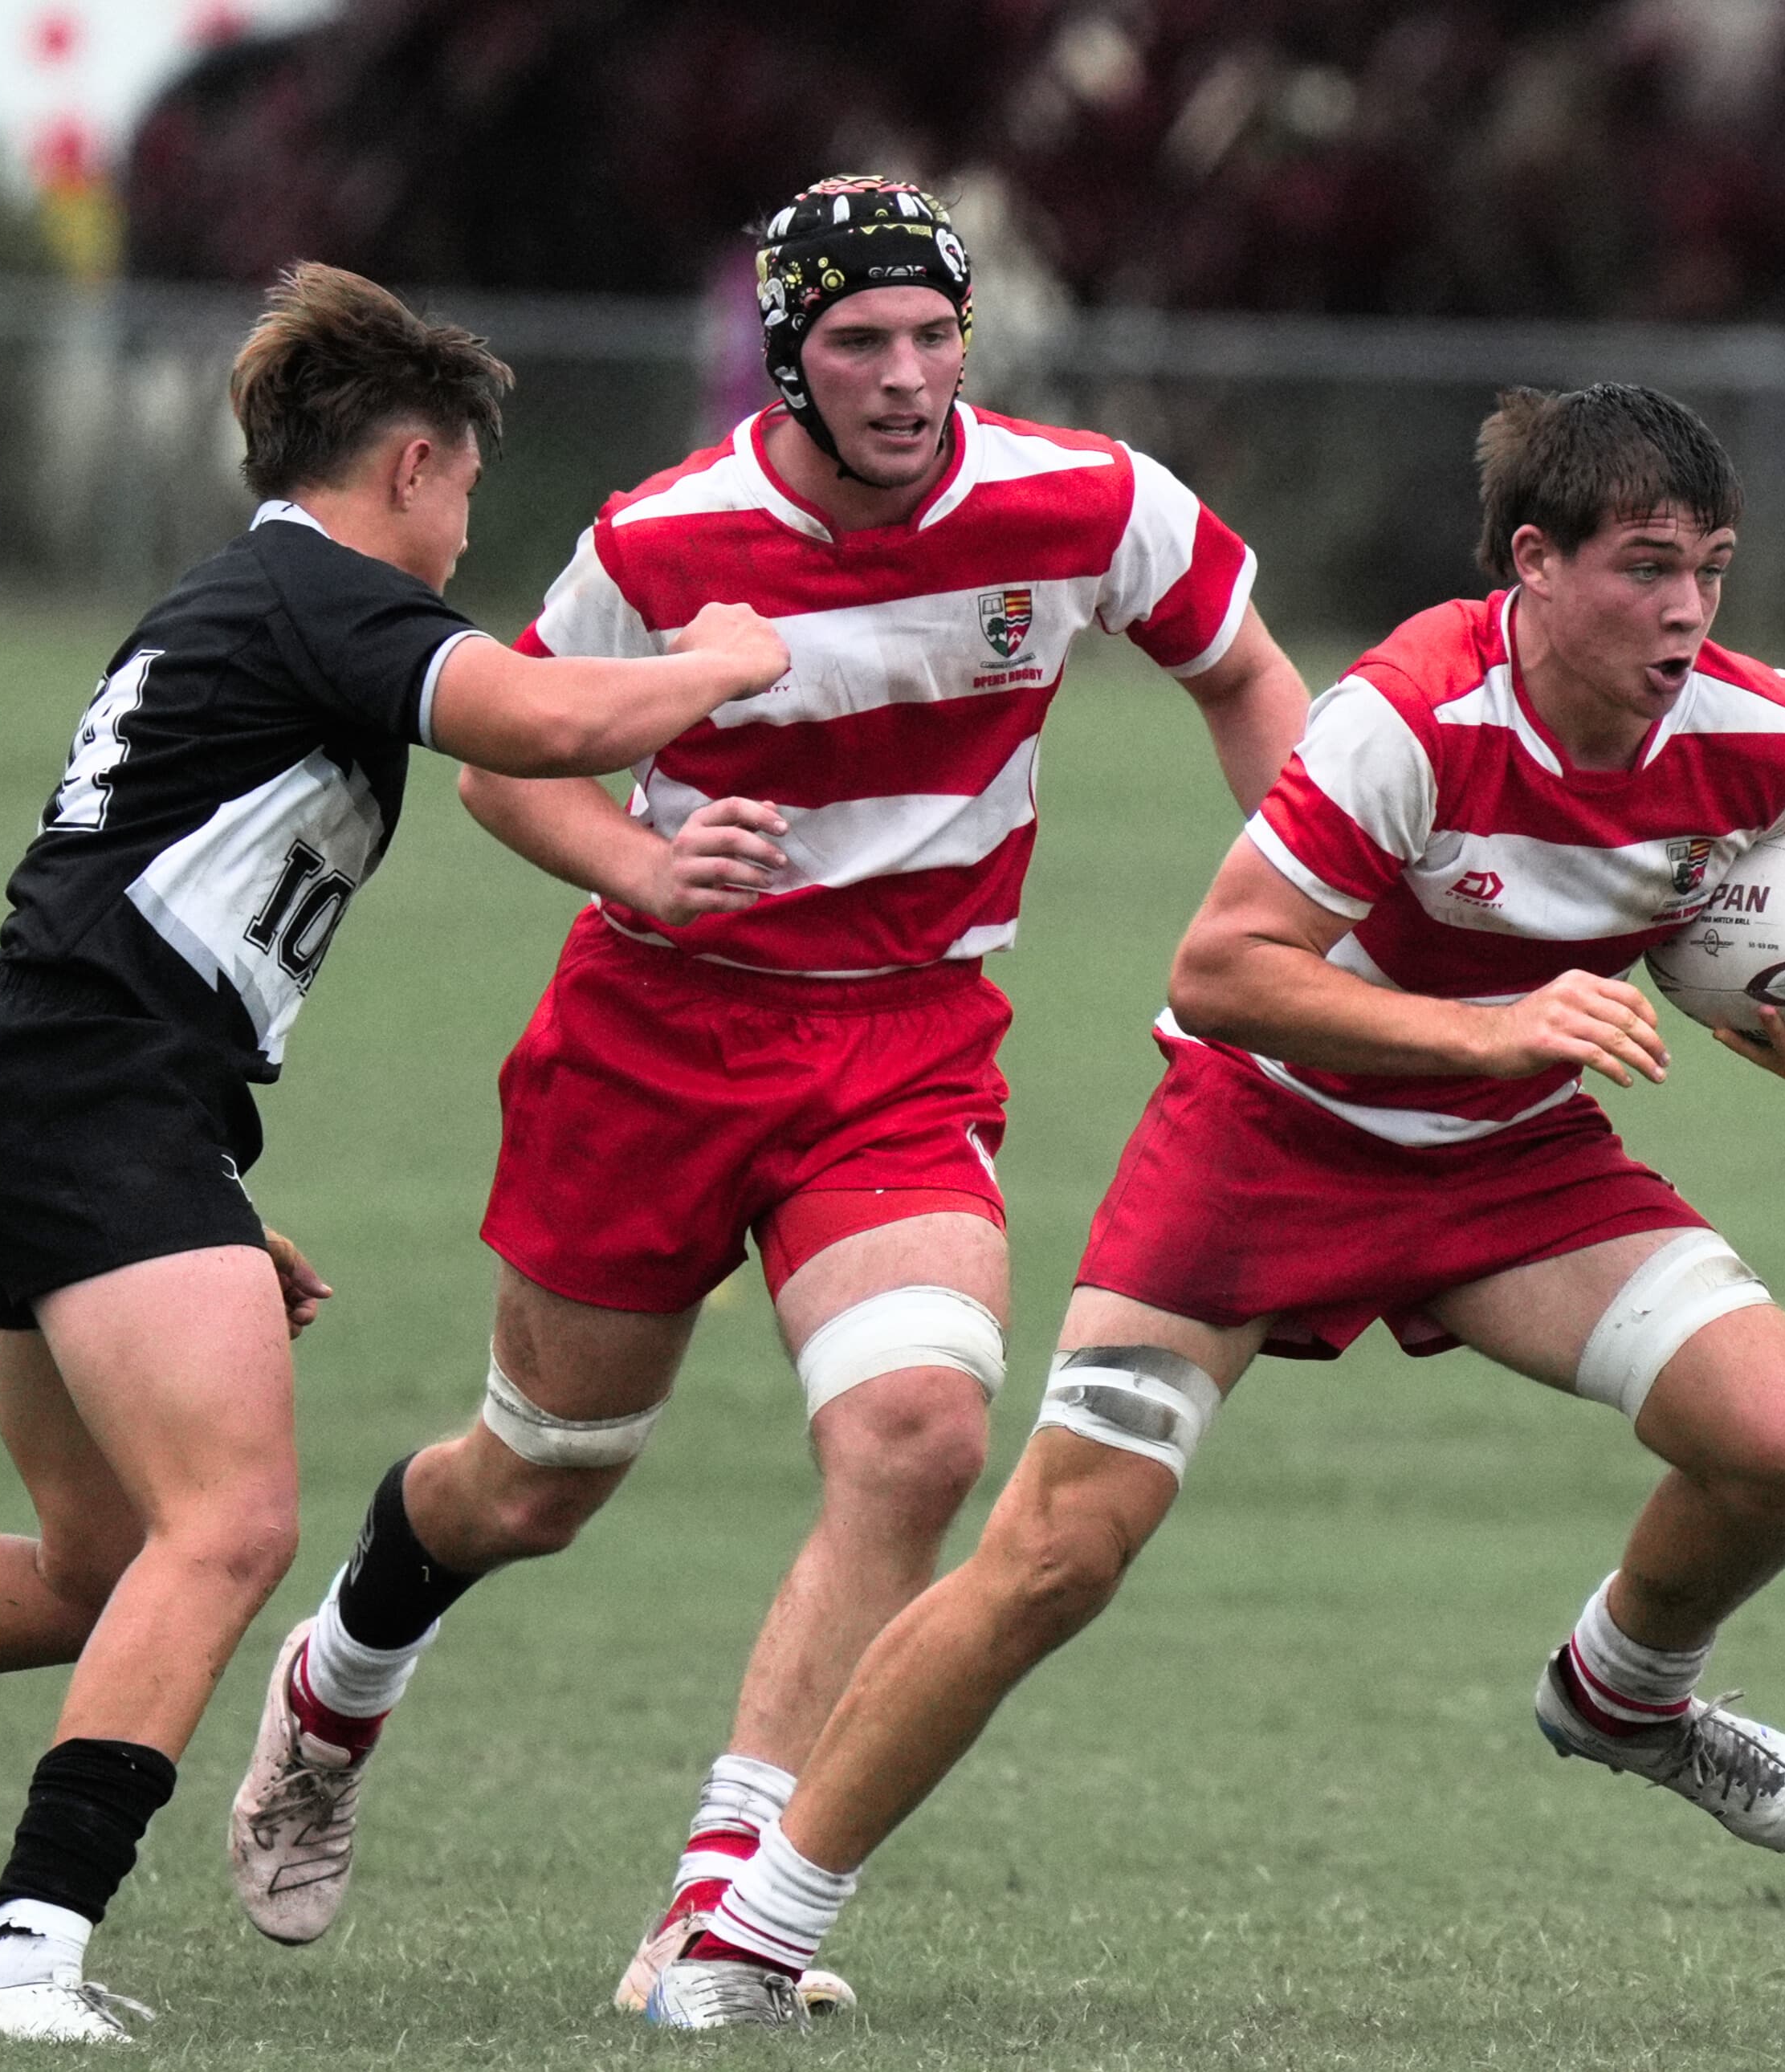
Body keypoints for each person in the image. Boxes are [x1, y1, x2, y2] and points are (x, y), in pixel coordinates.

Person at [0, 259, 793, 2044]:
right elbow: (549, 724)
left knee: (94, 1563)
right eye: (469, 495)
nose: (462, 533)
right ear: (415, 465)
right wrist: (725, 656)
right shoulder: (320, 590)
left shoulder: (260, 600)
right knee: (233, 1523)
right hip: (75, 1092)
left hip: (63, 1091)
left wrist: (196, 1203)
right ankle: (20, 1945)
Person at [642, 381, 1785, 2028]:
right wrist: (1489, 1027)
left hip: (1509, 1162)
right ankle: (745, 1937)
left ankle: (1622, 1696)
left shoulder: (1756, 731)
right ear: (1532, 566)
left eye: (1709, 565)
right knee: (1056, 1553)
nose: (1685, 607)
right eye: (1641, 566)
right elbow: (1222, 968)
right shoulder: (1406, 716)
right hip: (1263, 1141)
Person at [228, 174, 1310, 2014]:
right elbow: (507, 764)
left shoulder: (1090, 502)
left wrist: (1322, 913)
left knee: (917, 1432)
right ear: (786, 363)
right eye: (856, 342)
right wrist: (640, 870)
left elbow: (1248, 675)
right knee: (537, 1479)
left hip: (905, 1040)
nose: (902, 375)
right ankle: (336, 1686)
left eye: (931, 335)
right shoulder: (664, 541)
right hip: (657, 1037)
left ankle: (718, 1908)